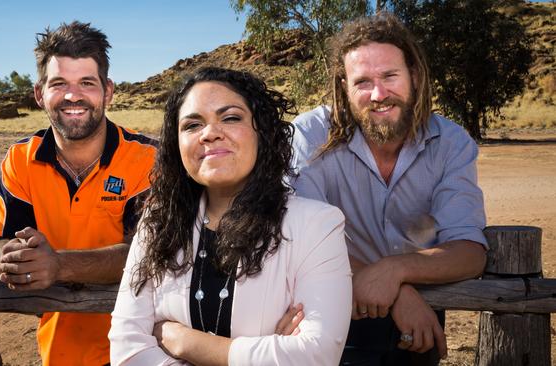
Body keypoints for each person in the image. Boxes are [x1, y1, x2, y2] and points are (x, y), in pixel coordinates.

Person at [108, 67, 352, 366]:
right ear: (177, 144)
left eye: (231, 117)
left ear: (261, 131)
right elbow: (126, 349)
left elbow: (316, 355)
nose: (210, 133)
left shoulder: (317, 226)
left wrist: (183, 342)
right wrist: (267, 352)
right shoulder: (157, 223)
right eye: (192, 124)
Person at [291, 13, 488, 366]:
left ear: (413, 76)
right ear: (344, 87)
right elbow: (301, 245)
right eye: (362, 81)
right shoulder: (309, 136)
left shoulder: (451, 143)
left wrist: (394, 272)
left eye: (390, 76)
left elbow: (469, 251)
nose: (378, 94)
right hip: (332, 314)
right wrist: (399, 294)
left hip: (420, 324)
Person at [0, 21, 156, 366]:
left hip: (145, 350)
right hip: (61, 351)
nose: (72, 96)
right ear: (39, 93)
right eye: (59, 83)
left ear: (108, 91)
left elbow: (146, 255)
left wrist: (59, 265)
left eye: (86, 83)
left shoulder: (147, 157)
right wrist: (12, 260)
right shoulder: (21, 158)